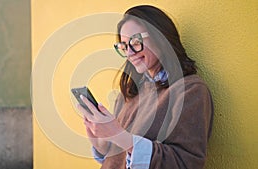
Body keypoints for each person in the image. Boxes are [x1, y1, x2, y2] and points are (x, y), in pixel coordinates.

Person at [77, 5, 214, 169]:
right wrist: (101, 143)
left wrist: (118, 135)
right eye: (124, 46)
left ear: (161, 37)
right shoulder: (128, 94)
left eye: (135, 41)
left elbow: (186, 163)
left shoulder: (190, 90)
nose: (130, 53)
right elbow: (122, 157)